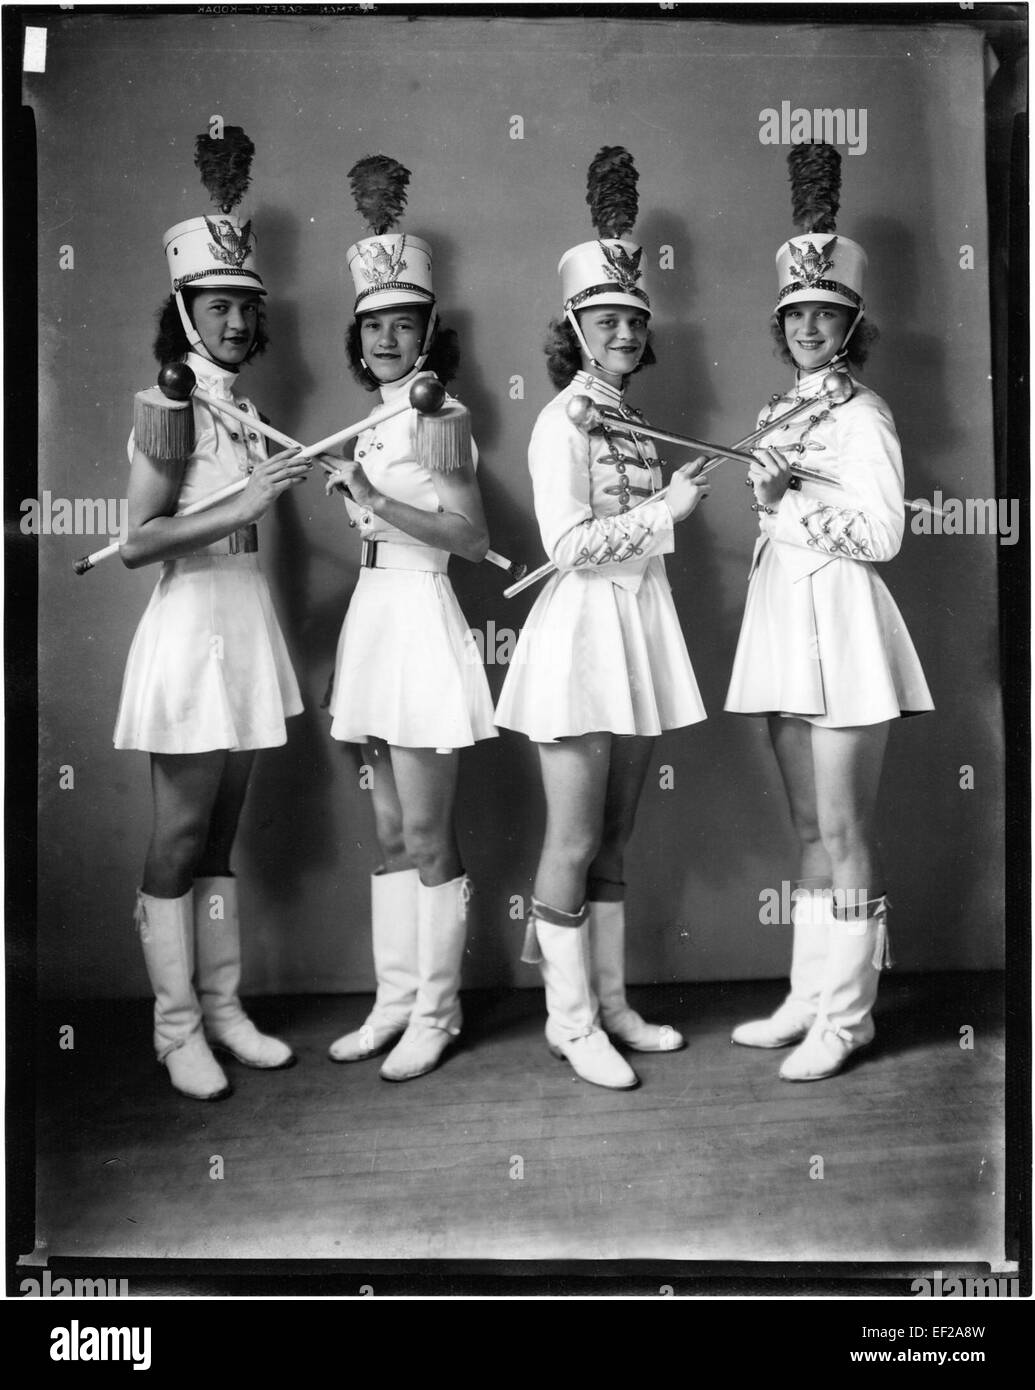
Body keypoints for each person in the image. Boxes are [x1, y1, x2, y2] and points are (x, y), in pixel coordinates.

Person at [494, 147, 710, 1090]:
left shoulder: (626, 421)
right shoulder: (559, 424)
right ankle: (570, 1021)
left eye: (632, 317)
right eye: (605, 318)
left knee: (615, 841)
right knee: (572, 841)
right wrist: (666, 511)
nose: (622, 330)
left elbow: (622, 538)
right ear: (575, 331)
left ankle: (613, 1004)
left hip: (637, 631)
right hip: (580, 637)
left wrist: (659, 495)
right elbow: (572, 543)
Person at [725, 143, 934, 1081]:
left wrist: (787, 503)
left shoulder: (863, 416)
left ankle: (849, 1019)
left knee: (846, 830)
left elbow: (883, 533)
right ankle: (811, 997)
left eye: (826, 313)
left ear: (850, 323)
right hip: (781, 623)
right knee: (807, 831)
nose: (810, 326)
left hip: (842, 630)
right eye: (797, 314)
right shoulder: (779, 411)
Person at [114, 128, 309, 1101]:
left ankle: (225, 1006)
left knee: (224, 833)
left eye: (244, 305)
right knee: (179, 835)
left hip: (246, 617)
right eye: (217, 305)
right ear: (185, 310)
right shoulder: (168, 404)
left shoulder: (238, 405)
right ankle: (175, 1023)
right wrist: (241, 504)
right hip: (190, 624)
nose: (234, 319)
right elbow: (141, 540)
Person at [325, 155, 496, 1082]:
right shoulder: (374, 419)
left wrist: (370, 498)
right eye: (374, 326)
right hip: (373, 613)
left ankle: (440, 1009)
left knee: (429, 834)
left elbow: (470, 539)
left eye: (403, 324)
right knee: (388, 831)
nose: (387, 339)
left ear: (429, 332)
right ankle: (393, 1002)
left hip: (423, 610)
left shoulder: (444, 417)